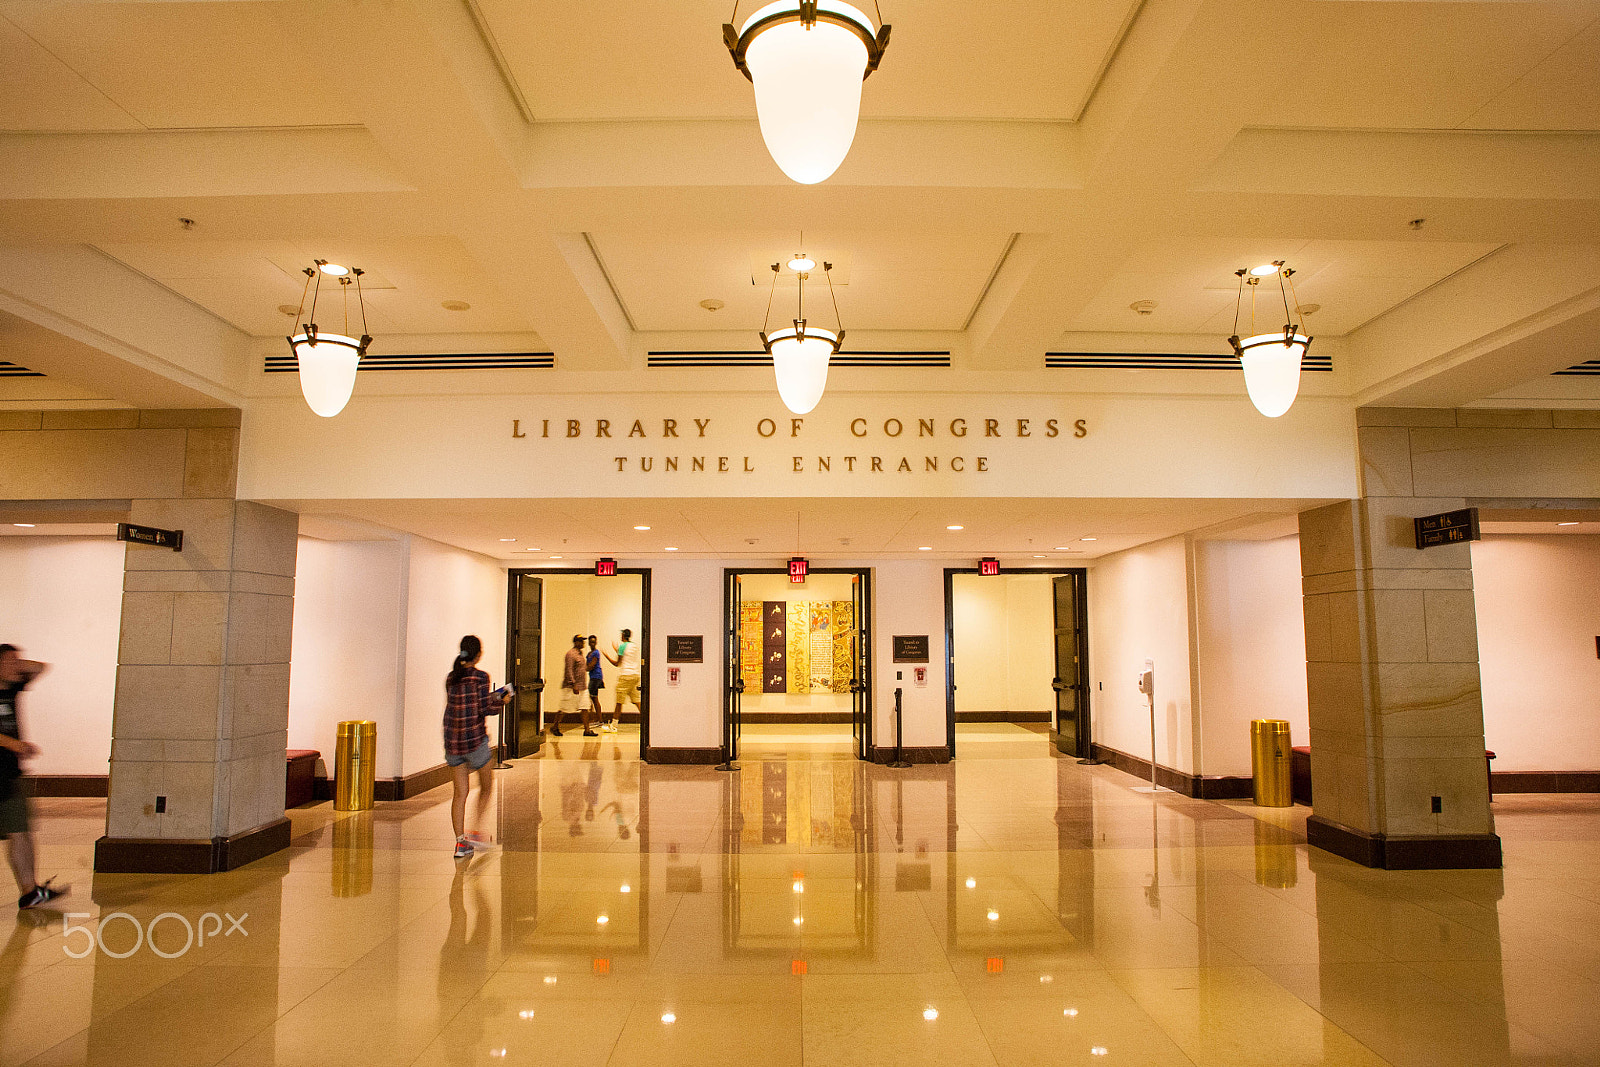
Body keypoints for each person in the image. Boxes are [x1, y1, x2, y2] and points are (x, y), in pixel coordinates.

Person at [0, 644, 66, 909]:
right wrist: (13, 744)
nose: (19, 666)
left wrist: (14, 665)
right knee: (17, 830)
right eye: (11, 661)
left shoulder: (12, 687)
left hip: (9, 774)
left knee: (21, 830)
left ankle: (30, 891)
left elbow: (41, 667)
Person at [443, 635, 509, 858]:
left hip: (452, 742)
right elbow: (485, 708)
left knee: (460, 793)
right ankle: (476, 831)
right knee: (487, 786)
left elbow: (460, 703)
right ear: (478, 655)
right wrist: (501, 699)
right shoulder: (480, 677)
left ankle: (461, 843)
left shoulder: (451, 678)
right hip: (474, 740)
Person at [553, 634, 594, 738]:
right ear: (576, 642)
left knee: (585, 707)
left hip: (582, 687)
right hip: (571, 687)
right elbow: (569, 670)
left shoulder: (581, 654)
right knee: (564, 708)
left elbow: (583, 669)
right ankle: (555, 727)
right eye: (581, 641)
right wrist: (573, 684)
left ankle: (587, 730)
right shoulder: (570, 654)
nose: (583, 643)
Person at [602, 628, 642, 733]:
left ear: (623, 635)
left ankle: (613, 726)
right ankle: (647, 722)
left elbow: (617, 663)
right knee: (637, 700)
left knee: (619, 701)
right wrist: (617, 649)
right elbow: (627, 655)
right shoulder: (634, 646)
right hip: (635, 675)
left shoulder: (622, 647)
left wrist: (607, 656)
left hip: (625, 676)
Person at [585, 635, 605, 726]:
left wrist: (582, 669)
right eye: (591, 642)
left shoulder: (596, 653)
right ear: (589, 643)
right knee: (593, 698)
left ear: (596, 642)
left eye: (594, 642)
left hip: (596, 677)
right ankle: (597, 719)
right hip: (592, 677)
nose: (592, 643)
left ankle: (599, 720)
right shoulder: (589, 653)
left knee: (594, 698)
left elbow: (591, 665)